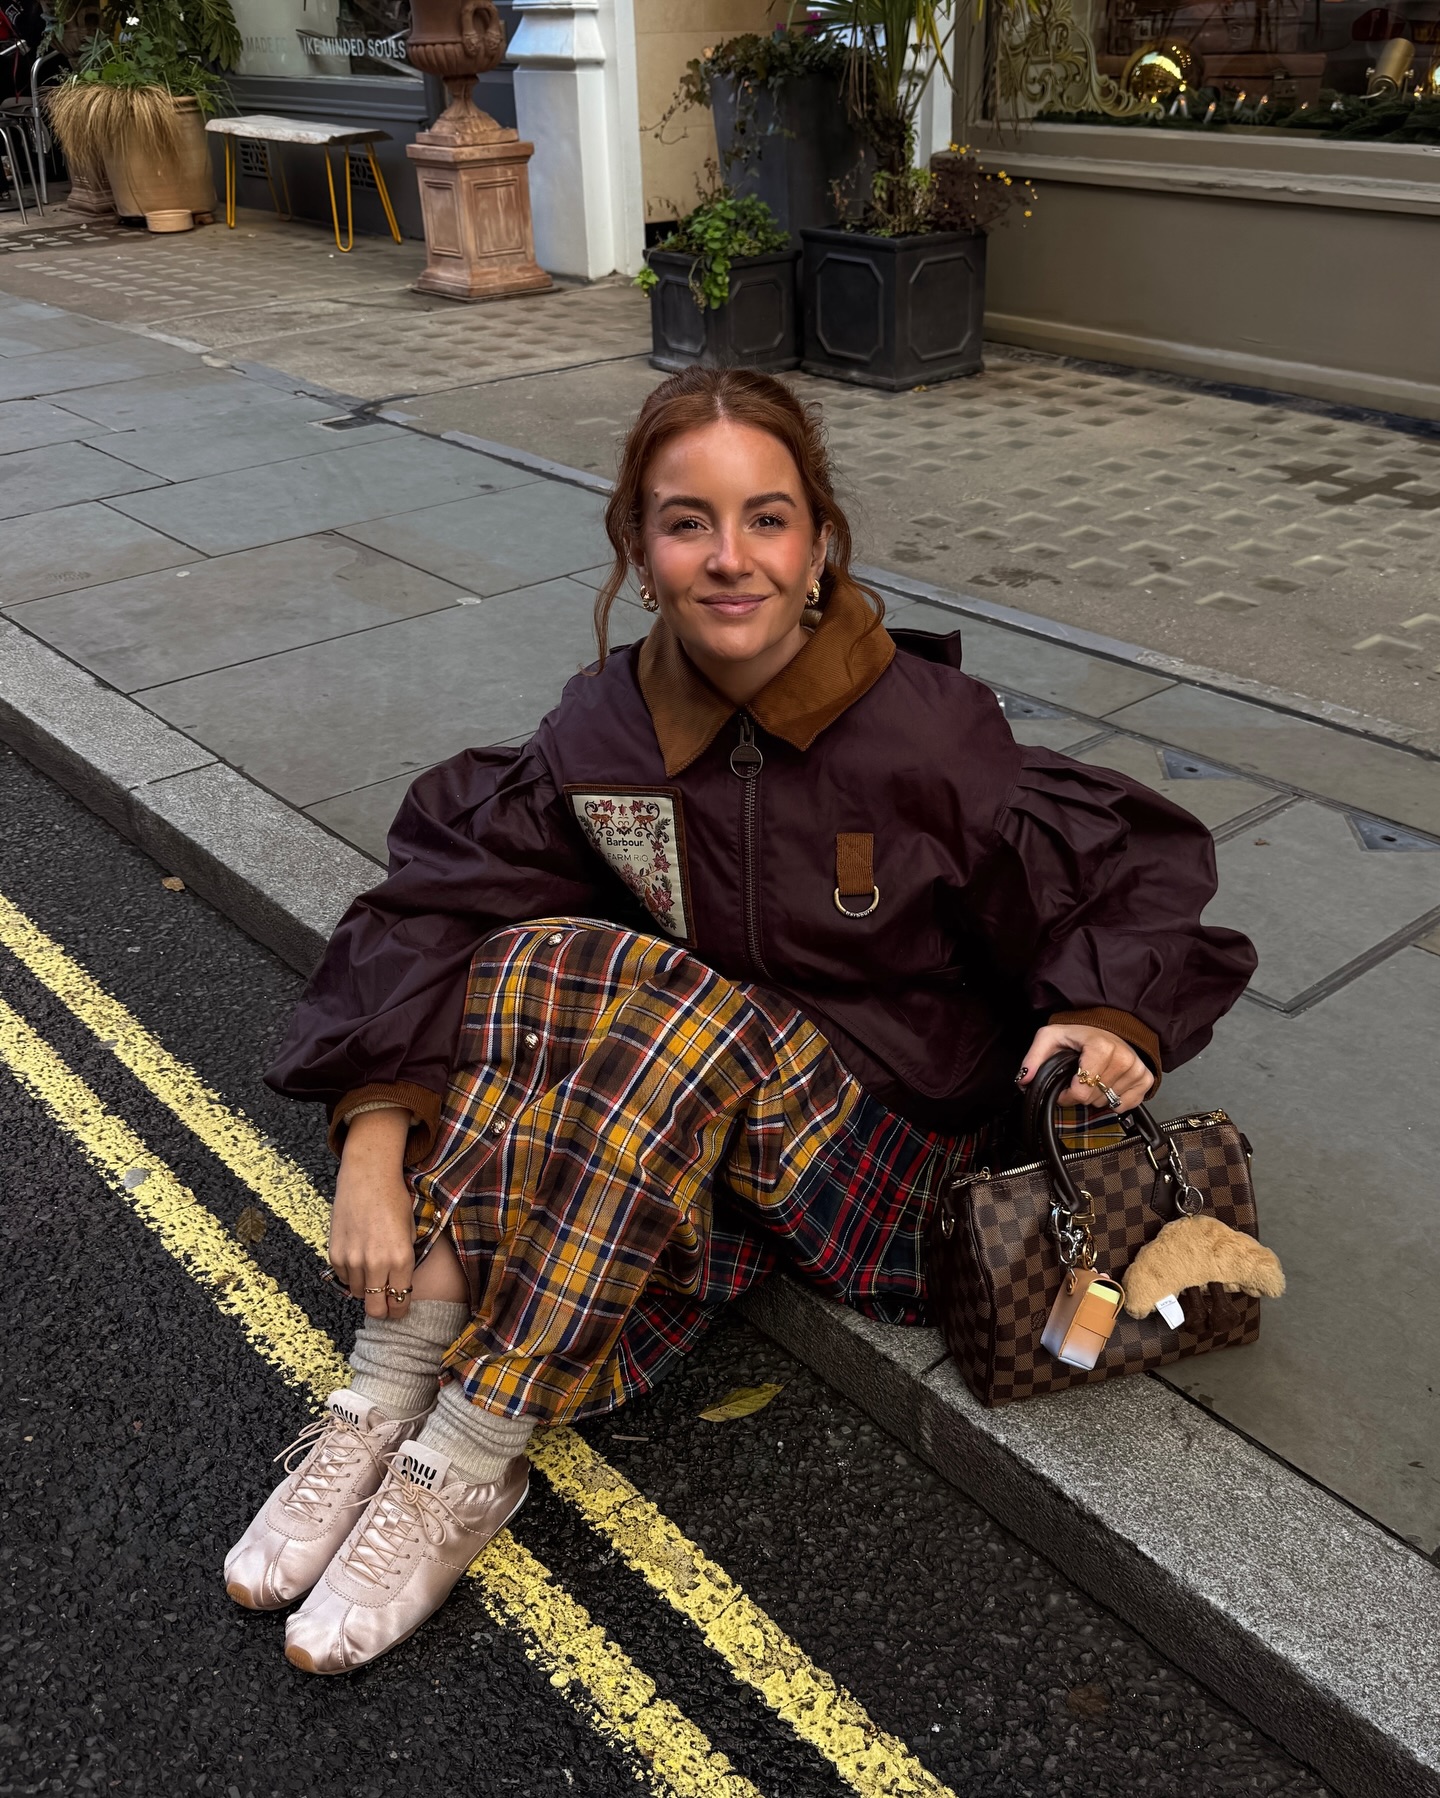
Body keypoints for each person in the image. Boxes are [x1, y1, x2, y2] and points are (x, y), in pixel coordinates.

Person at [224, 367, 1256, 1674]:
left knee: (677, 1015)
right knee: (534, 958)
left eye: (766, 519)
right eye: (686, 522)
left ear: (820, 543)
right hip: (688, 1127)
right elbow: (437, 901)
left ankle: (470, 1457)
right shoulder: (602, 728)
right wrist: (373, 1137)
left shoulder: (931, 736)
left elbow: (1128, 873)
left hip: (893, 1165)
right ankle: (385, 1389)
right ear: (636, 550)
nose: (730, 560)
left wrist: (1114, 1013)